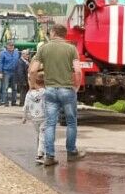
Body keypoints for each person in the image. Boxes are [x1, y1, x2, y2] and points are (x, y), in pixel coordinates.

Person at [29, 23, 86, 166]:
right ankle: (72, 152)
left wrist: (33, 85)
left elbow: (33, 70)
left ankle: (49, 156)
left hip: (50, 90)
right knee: (71, 122)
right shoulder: (71, 49)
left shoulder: (44, 48)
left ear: (54, 33)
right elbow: (78, 71)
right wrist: (77, 86)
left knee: (50, 123)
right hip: (67, 90)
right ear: (64, 34)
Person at [21, 74, 46, 163]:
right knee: (43, 135)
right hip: (44, 117)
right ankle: (40, 154)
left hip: (34, 118)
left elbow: (25, 106)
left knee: (38, 134)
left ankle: (40, 150)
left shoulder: (29, 94)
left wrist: (24, 117)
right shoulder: (45, 92)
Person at [0, 41, 21, 106]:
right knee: (5, 87)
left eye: (12, 45)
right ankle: (5, 102)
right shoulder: (3, 53)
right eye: (10, 45)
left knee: (14, 88)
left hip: (14, 72)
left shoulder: (16, 52)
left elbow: (18, 62)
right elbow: (0, 63)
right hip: (6, 72)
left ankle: (14, 102)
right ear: (7, 46)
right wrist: (0, 72)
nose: (11, 47)